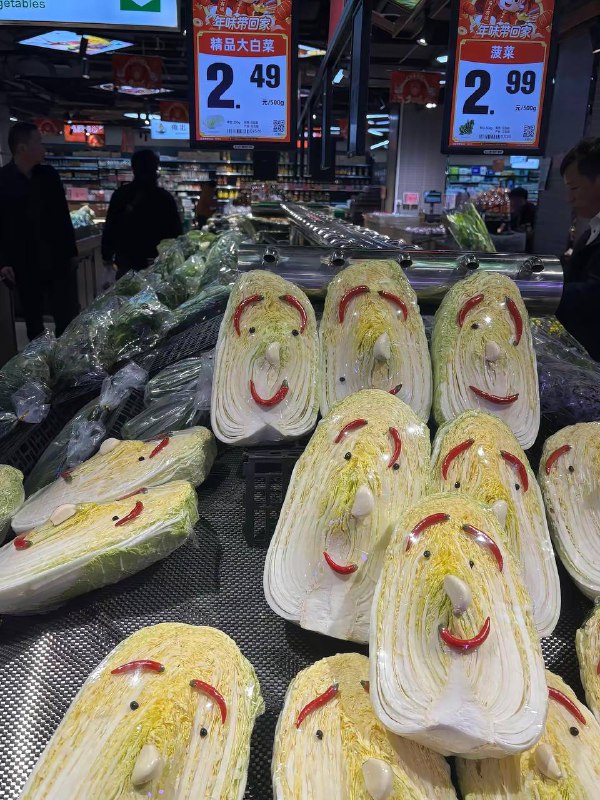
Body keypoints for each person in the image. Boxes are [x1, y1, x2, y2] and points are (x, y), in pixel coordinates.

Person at [0, 121, 79, 340]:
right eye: (39, 142)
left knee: (66, 316)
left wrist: (71, 252)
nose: (44, 148)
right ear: (22, 148)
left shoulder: (49, 176)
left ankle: (66, 356)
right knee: (33, 319)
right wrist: (3, 261)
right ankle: (39, 358)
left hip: (56, 259)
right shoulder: (3, 180)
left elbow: (62, 217)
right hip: (24, 262)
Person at [102, 149, 182, 278]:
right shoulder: (164, 198)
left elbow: (110, 227)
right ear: (155, 168)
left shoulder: (121, 195)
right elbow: (176, 232)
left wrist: (107, 257)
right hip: (158, 264)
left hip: (127, 262)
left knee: (126, 290)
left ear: (133, 168)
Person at [558, 138, 600, 361]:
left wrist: (541, 292)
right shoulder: (592, 229)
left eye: (574, 188)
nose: (569, 199)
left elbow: (593, 297)